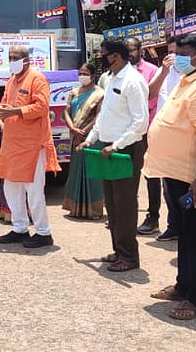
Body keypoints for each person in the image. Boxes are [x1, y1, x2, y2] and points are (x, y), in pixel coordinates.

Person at [144, 33, 196, 320]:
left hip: (193, 177)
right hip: (175, 172)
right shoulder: (186, 80)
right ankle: (182, 286)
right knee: (185, 234)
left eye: (183, 54)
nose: (177, 58)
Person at [80, 37, 149, 272]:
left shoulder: (133, 81)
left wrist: (117, 145)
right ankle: (119, 250)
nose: (100, 58)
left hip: (126, 149)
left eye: (103, 54)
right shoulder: (109, 79)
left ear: (115, 56)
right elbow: (104, 117)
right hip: (107, 147)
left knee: (125, 204)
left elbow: (140, 122)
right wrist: (90, 139)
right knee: (111, 203)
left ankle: (129, 257)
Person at [0, 45, 60, 248]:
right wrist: (1, 118)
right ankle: (20, 228)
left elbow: (42, 107)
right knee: (11, 188)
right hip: (12, 144)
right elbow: (4, 105)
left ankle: (43, 232)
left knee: (34, 190)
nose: (12, 60)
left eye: (15, 57)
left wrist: (15, 112)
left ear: (26, 60)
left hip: (33, 145)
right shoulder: (11, 81)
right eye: (10, 57)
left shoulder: (37, 79)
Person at [144, 37, 181, 240]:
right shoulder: (163, 71)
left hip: (183, 136)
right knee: (168, 186)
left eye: (177, 52)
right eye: (170, 52)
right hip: (164, 135)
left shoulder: (191, 74)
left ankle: (184, 227)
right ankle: (173, 226)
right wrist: (165, 71)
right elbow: (151, 93)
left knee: (181, 186)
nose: (172, 56)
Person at [126, 38, 162, 235]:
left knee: (151, 174)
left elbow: (153, 100)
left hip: (147, 130)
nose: (129, 53)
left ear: (141, 50)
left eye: (132, 49)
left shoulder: (151, 71)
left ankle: (153, 217)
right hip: (126, 132)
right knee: (127, 175)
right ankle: (127, 215)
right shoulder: (121, 71)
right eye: (127, 50)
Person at [61, 63, 104, 219]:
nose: (82, 76)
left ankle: (94, 210)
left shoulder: (100, 94)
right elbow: (66, 111)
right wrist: (73, 128)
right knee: (76, 171)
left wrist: (84, 131)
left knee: (92, 173)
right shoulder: (74, 92)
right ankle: (76, 208)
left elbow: (99, 116)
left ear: (93, 76)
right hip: (75, 136)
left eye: (85, 73)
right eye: (80, 73)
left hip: (91, 137)